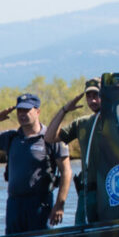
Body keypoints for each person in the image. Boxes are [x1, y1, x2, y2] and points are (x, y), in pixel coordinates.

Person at [0, 92, 72, 235]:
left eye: (27, 110)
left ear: (37, 111)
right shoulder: (11, 137)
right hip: (14, 204)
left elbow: (66, 172)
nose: (22, 114)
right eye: (19, 110)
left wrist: (59, 204)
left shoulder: (51, 138)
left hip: (40, 203)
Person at [47, 80, 103, 226]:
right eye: (89, 96)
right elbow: (49, 137)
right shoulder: (82, 123)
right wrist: (64, 110)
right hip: (88, 192)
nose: (93, 100)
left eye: (96, 95)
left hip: (113, 191)